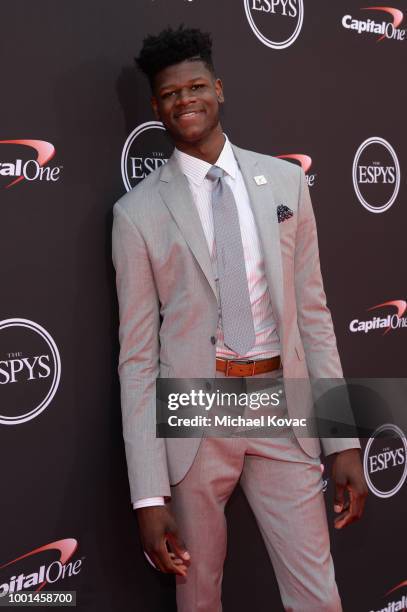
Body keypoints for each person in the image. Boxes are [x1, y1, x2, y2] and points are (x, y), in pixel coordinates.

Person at [112, 25, 368, 612]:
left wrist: (342, 439)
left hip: (280, 400)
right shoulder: (137, 214)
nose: (186, 101)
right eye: (171, 95)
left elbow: (314, 316)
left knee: (318, 596)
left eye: (196, 86)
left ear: (219, 89)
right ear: (156, 108)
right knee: (198, 595)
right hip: (197, 411)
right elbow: (136, 360)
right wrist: (148, 497)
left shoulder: (284, 182)